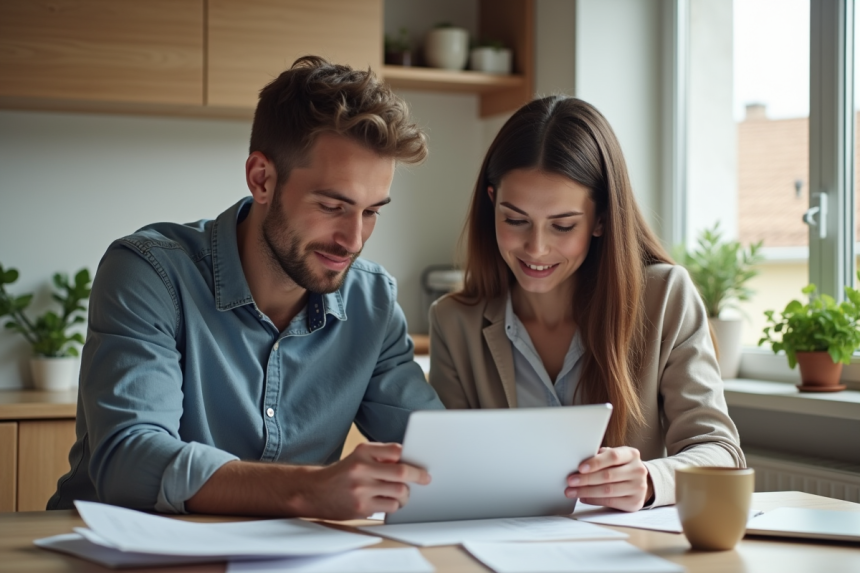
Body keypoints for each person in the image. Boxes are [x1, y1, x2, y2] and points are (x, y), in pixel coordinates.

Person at [48, 56, 444, 519]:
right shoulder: (149, 272)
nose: (354, 240)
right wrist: (308, 490)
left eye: (372, 211)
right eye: (333, 205)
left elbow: (439, 453)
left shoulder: (372, 303)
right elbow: (129, 462)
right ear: (262, 179)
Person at [429, 96, 745, 511]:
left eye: (562, 225)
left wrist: (650, 480)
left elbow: (720, 451)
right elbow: (449, 469)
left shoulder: (665, 297)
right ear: (492, 203)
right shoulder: (454, 322)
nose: (536, 248)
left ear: (600, 219)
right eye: (515, 220)